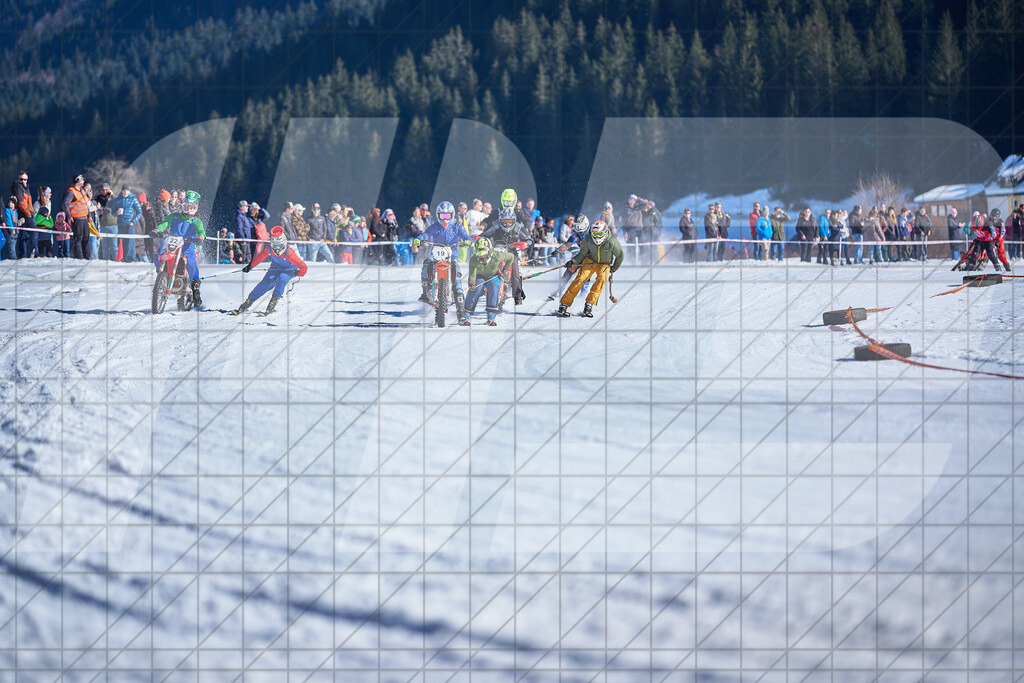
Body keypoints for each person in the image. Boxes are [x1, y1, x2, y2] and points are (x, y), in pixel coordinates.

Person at [413, 201, 472, 325]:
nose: (444, 219)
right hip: (436, 255)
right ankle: (425, 292)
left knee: (457, 280)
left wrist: (467, 241)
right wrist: (418, 239)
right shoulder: (435, 226)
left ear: (452, 215)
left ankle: (461, 313)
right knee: (426, 264)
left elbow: (466, 236)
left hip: (452, 256)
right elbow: (425, 234)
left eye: (447, 216)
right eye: (442, 216)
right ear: (438, 215)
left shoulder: (457, 226)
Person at [231, 225, 308, 316]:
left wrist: (297, 273)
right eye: (274, 246)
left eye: (279, 246)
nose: (277, 249)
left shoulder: (289, 253)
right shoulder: (270, 249)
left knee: (282, 278)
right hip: (275, 268)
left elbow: (304, 267)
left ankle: (272, 303)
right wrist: (250, 266)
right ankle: (248, 302)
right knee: (265, 283)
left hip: (289, 270)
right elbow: (260, 257)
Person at [150, 190, 206, 307]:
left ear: (195, 208)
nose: (188, 210)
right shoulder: (174, 216)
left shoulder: (196, 221)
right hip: (173, 244)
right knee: (158, 257)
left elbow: (201, 230)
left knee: (191, 263)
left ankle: (195, 290)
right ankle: (162, 278)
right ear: (182, 205)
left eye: (191, 208)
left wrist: (201, 236)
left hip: (188, 245)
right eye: (186, 207)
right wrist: (157, 230)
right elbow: (165, 224)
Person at [557, 221, 623, 318]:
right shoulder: (588, 239)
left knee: (601, 280)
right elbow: (582, 254)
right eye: (594, 234)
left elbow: (620, 256)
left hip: (604, 263)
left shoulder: (612, 242)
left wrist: (613, 268)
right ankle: (564, 304)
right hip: (590, 261)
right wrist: (573, 261)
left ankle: (589, 304)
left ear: (605, 232)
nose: (597, 238)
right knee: (580, 279)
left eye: (599, 234)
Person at [479, 207, 534, 304]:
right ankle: (480, 288)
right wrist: (479, 239)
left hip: (511, 252)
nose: (507, 224)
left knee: (516, 272)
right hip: (496, 251)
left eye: (509, 222)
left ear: (513, 220)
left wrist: (526, 243)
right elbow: (484, 235)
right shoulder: (495, 226)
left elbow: (530, 239)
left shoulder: (518, 227)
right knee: (483, 265)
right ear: (500, 220)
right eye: (504, 222)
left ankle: (517, 296)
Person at [464, 237, 515, 326]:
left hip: (494, 276)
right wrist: (471, 283)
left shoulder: (497, 255)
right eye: (480, 255)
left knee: (493, 288)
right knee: (475, 289)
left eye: (484, 255)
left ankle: (491, 316)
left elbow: (511, 257)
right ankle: (466, 314)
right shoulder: (473, 259)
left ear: (489, 251)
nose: (482, 257)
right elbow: (472, 274)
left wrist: (506, 269)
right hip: (480, 277)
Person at [61, 174, 90, 259]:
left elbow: (86, 204)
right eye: (82, 180)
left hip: (84, 218)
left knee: (86, 238)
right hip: (77, 219)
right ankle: (79, 259)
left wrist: (89, 215)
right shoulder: (71, 192)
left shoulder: (82, 191)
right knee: (78, 239)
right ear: (78, 181)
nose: (83, 181)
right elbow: (64, 204)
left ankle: (88, 258)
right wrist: (69, 216)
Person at [112, 185, 142, 262]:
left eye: (127, 191)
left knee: (130, 242)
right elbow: (112, 213)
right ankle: (123, 259)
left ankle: (131, 259)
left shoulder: (133, 199)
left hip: (129, 224)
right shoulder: (117, 200)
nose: (125, 192)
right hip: (120, 224)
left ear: (129, 191)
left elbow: (139, 212)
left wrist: (133, 221)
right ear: (122, 191)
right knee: (122, 242)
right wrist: (116, 213)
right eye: (124, 190)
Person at [12, 171, 36, 258]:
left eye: (24, 179)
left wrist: (32, 212)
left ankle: (22, 255)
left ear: (27, 179)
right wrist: (29, 214)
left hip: (28, 213)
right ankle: (34, 251)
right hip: (23, 213)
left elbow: (29, 202)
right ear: (18, 179)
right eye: (21, 179)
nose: (23, 181)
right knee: (34, 231)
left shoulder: (26, 187)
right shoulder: (18, 187)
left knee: (24, 234)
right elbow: (21, 203)